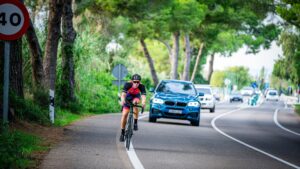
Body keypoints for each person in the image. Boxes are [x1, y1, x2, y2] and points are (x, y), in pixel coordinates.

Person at [119, 74, 146, 142]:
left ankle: (135, 123)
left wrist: (143, 103)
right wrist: (122, 101)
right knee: (125, 114)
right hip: (128, 97)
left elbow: (143, 96)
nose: (136, 83)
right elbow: (123, 95)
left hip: (136, 96)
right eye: (135, 81)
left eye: (138, 82)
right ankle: (122, 133)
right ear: (131, 81)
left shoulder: (141, 86)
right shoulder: (128, 84)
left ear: (140, 82)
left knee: (135, 103)